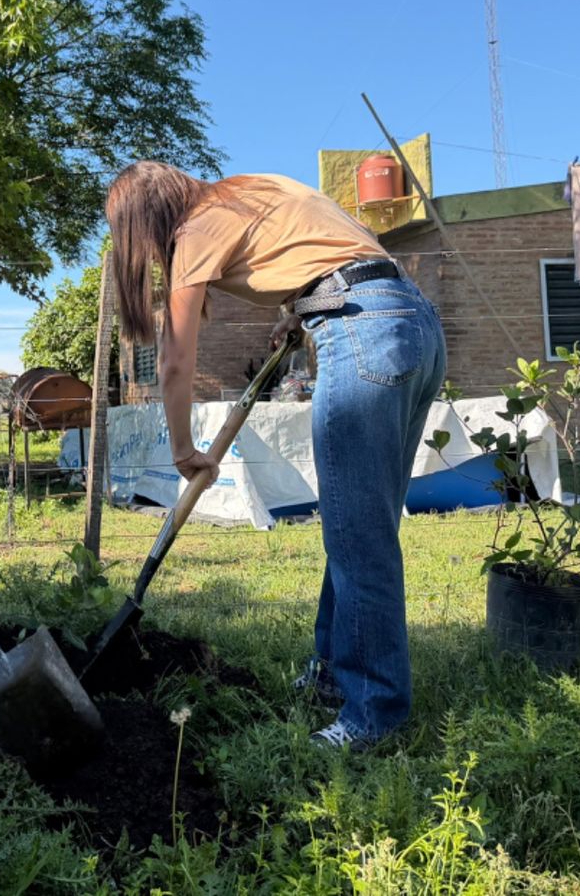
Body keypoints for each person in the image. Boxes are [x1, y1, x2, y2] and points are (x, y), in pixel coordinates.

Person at [104, 161, 446, 750]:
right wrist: (297, 313)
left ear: (144, 223)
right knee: (358, 525)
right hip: (413, 322)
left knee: (358, 535)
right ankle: (333, 677)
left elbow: (175, 360)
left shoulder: (194, 229)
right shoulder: (252, 191)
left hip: (364, 333)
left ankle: (374, 715)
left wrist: (185, 451)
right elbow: (340, 254)